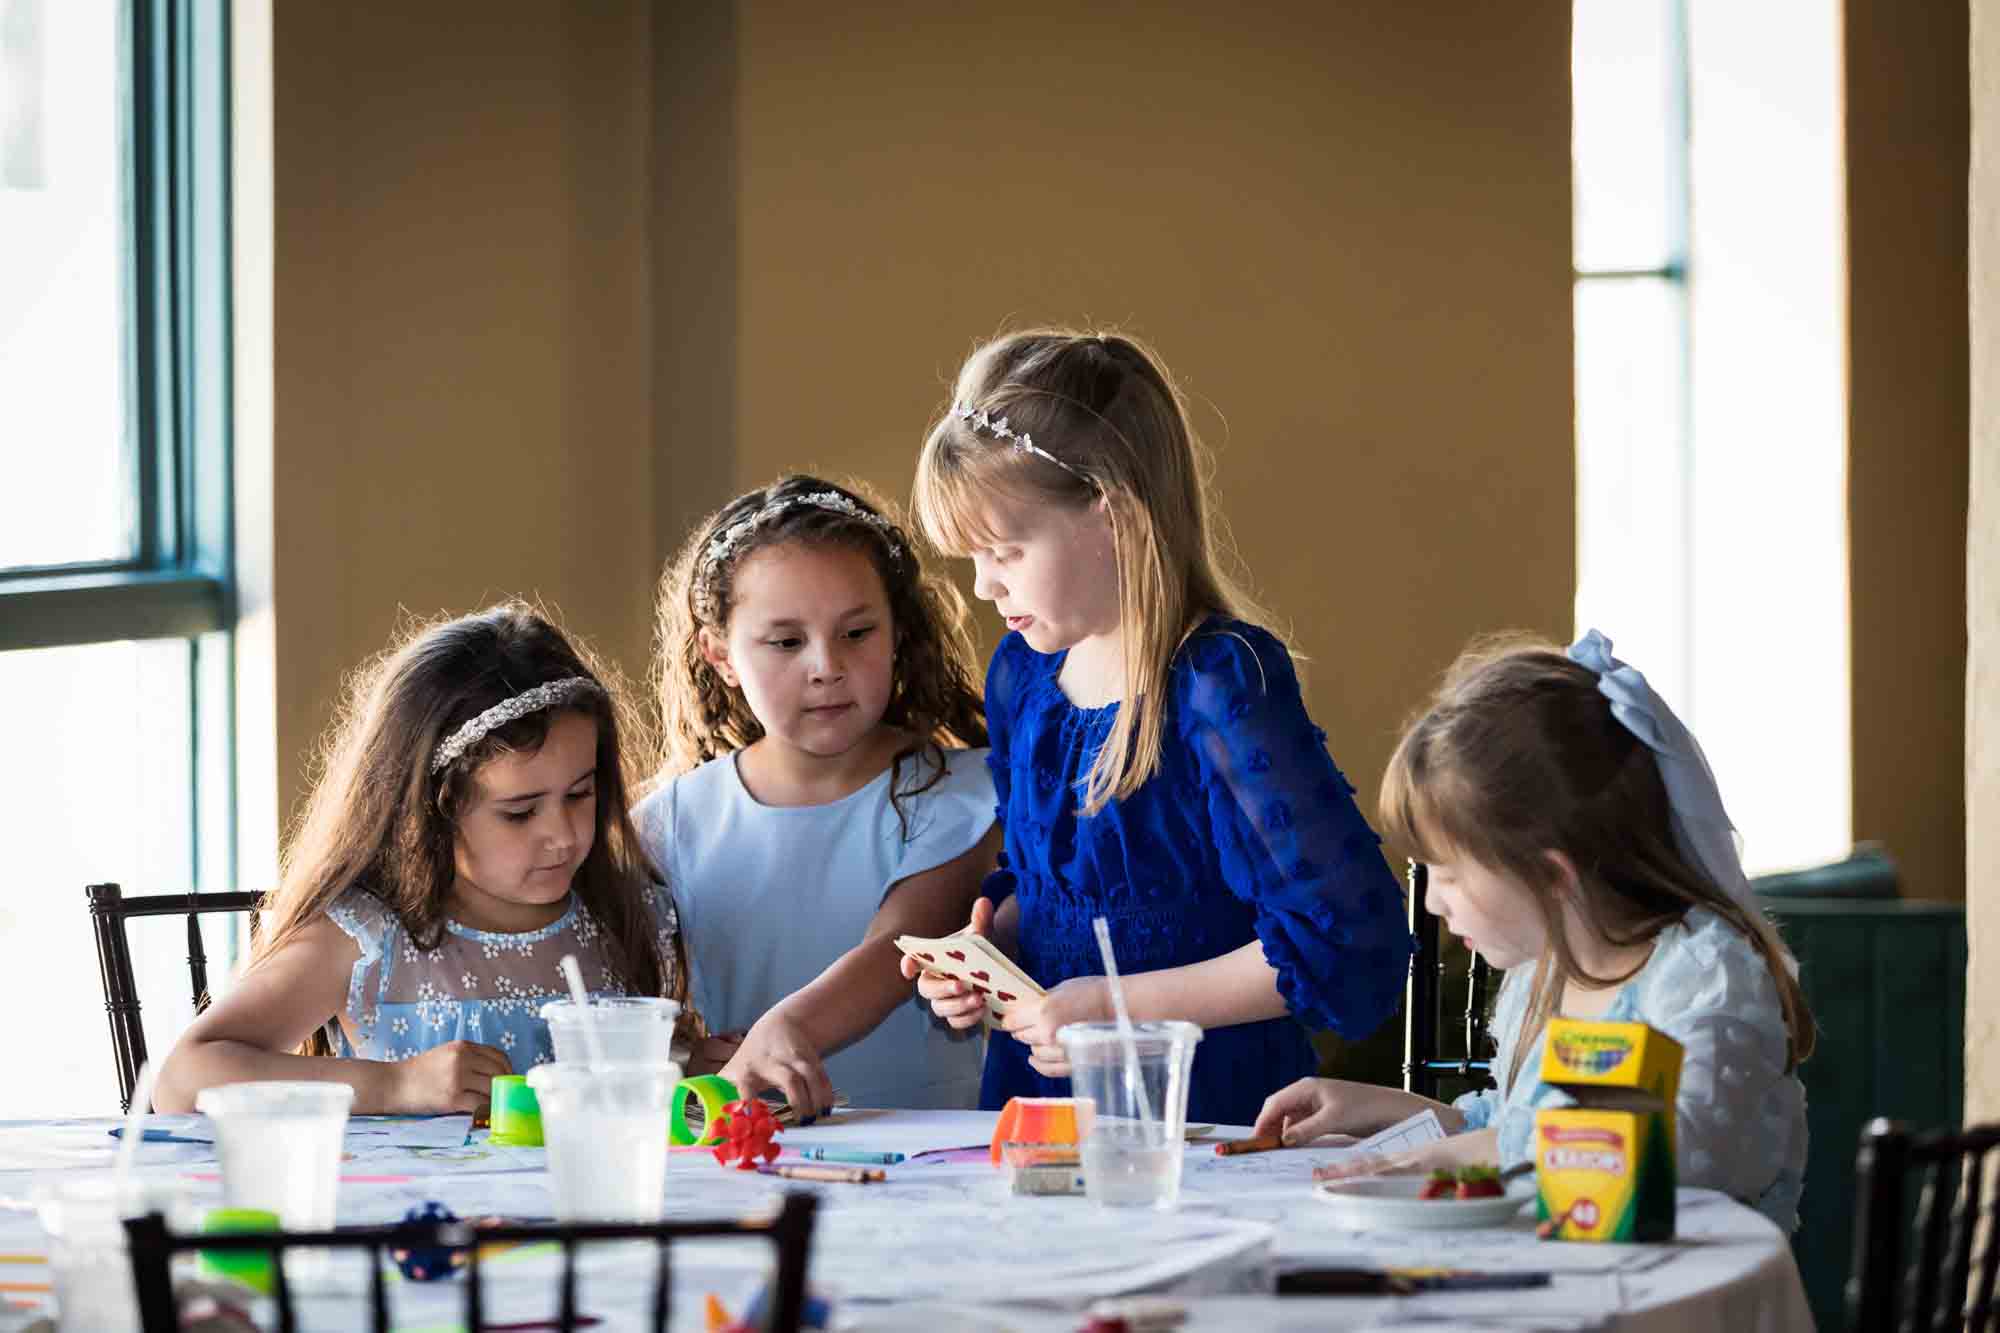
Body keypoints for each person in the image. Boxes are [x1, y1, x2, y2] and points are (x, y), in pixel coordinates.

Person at [902, 329, 1411, 1126]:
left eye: (1004, 549)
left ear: (1111, 513)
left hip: (1204, 1115)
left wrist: (1116, 1008)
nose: (982, 584)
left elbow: (1341, 937)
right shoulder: (1020, 676)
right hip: (1039, 1108)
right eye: (973, 556)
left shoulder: (1220, 681)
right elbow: (1050, 893)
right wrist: (989, 951)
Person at [1253, 630, 1813, 1230]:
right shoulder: (1544, 971)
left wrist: (1460, 1154)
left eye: (1449, 875)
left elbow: (1676, 1157)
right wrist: (1390, 1111)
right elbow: (1520, 1119)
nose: (1436, 905)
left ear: (1550, 875)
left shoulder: (1702, 982)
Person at [155, 603, 699, 1114]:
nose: (562, 835)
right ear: (429, 811)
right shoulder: (368, 939)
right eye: (519, 812)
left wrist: (687, 1070)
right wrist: (395, 1084)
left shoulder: (629, 918)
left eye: (579, 795)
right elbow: (183, 1079)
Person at [638, 476, 999, 1114]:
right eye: (786, 642)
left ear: (896, 634)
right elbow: (629, 1006)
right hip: (754, 1156)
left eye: (857, 632)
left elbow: (899, 948)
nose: (826, 665)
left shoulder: (968, 794)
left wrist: (787, 1031)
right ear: (720, 655)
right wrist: (682, 1059)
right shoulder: (669, 824)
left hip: (937, 1160)